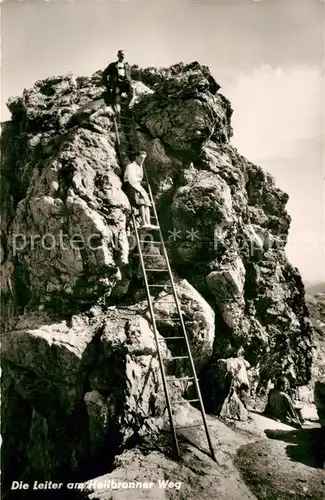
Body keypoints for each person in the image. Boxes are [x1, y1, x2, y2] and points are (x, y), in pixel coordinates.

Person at [123, 151, 158, 230]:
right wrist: (140, 185)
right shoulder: (130, 166)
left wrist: (141, 183)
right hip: (130, 185)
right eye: (141, 158)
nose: (142, 160)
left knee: (147, 202)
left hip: (137, 185)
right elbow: (131, 179)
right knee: (141, 201)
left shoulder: (140, 167)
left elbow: (138, 179)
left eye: (144, 158)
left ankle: (148, 223)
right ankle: (143, 222)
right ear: (136, 157)